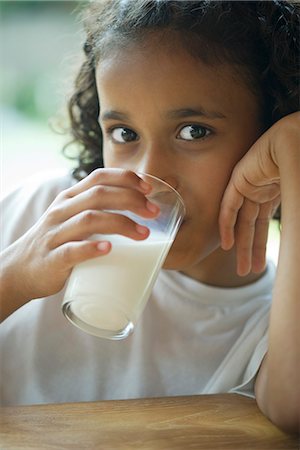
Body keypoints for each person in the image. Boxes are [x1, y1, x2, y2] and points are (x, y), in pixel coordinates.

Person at [0, 0, 299, 433]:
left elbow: (292, 407)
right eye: (124, 134)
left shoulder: (271, 324)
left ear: (265, 135)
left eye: (193, 131)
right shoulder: (42, 214)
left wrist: (294, 149)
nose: (150, 174)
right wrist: (15, 276)